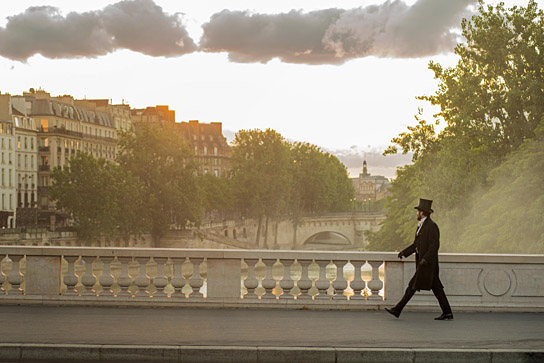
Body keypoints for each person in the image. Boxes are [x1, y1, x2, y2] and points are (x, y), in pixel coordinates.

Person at [385, 198, 453, 320]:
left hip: (427, 265)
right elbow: (416, 245)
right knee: (437, 288)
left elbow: (434, 245)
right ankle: (447, 312)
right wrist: (404, 253)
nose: (416, 213)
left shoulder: (432, 226)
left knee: (412, 286)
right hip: (425, 264)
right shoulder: (421, 226)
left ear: (422, 212)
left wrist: (425, 259)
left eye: (417, 211)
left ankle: (397, 309)